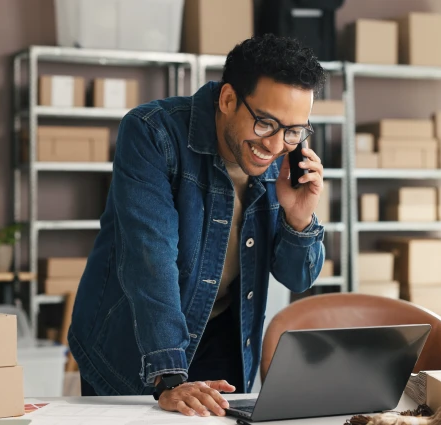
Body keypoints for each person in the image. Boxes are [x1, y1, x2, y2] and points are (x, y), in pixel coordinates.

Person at [67, 34, 328, 418]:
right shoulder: (152, 133)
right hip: (136, 344)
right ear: (227, 100)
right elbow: (149, 258)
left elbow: (297, 278)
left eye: (293, 131)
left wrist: (299, 216)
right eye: (266, 123)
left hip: (224, 338)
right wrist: (169, 377)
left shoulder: (284, 163)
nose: (275, 145)